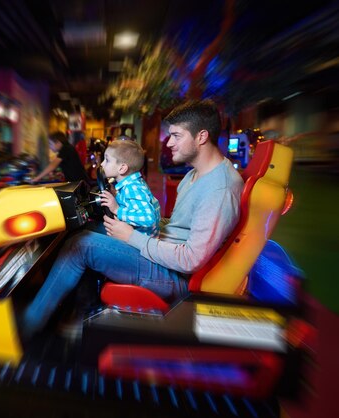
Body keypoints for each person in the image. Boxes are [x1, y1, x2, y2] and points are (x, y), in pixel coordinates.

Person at [20, 99, 244, 338]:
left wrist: (132, 236)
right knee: (87, 228)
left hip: (175, 276)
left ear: (201, 137)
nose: (169, 143)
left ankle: (27, 327)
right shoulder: (194, 175)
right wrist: (130, 224)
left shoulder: (219, 190)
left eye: (176, 136)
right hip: (162, 253)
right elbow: (177, 226)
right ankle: (79, 313)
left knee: (80, 246)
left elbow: (190, 260)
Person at [98, 139, 160, 237]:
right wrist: (116, 195)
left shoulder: (132, 188)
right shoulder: (131, 183)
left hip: (140, 242)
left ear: (122, 168)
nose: (102, 164)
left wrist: (117, 210)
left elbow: (148, 218)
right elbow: (130, 203)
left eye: (107, 160)